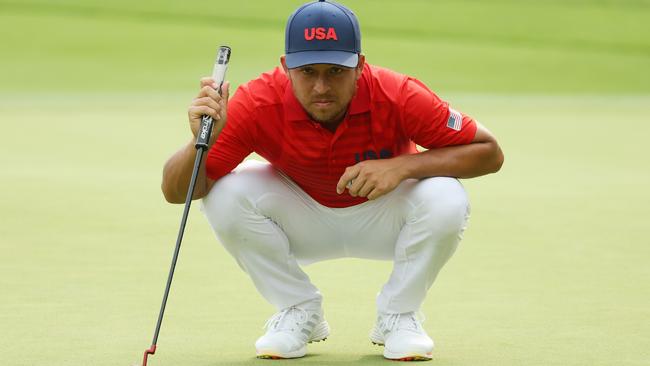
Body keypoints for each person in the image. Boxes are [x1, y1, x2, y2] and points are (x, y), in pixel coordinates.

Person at [161, 0, 503, 361]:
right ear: (286, 67)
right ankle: (298, 310)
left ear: (359, 66)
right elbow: (176, 192)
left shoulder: (398, 94)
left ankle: (399, 317)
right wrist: (200, 142)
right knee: (224, 193)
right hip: (302, 220)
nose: (321, 87)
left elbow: (489, 151)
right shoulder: (255, 103)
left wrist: (402, 166)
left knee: (446, 195)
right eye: (308, 71)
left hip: (387, 218)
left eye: (336, 71)